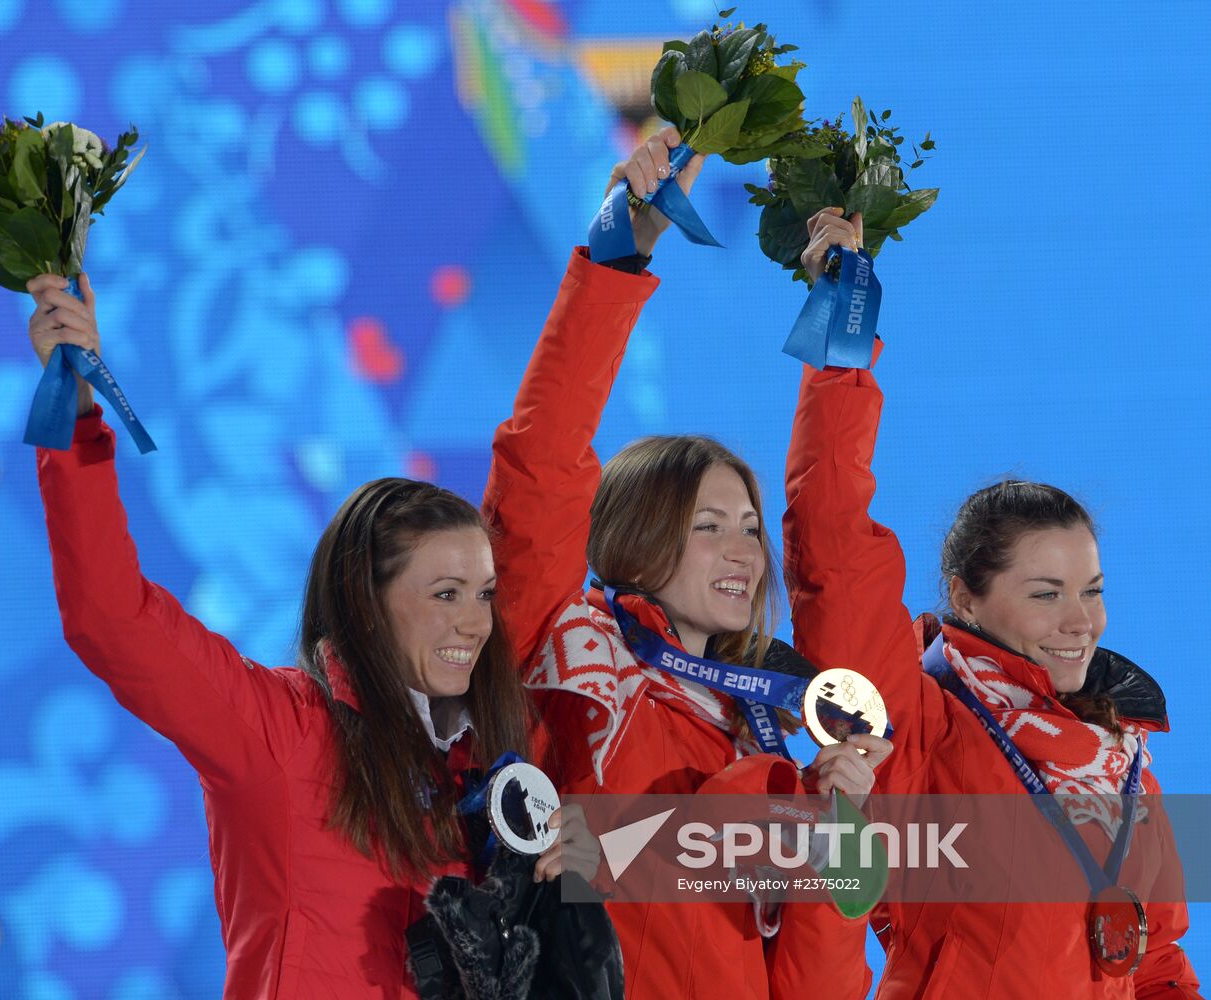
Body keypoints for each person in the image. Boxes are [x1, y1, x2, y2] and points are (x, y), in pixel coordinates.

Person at [25, 273, 602, 999]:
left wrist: (616, 258)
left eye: (483, 594)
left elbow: (542, 480)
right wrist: (76, 415)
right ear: (364, 606)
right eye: (445, 594)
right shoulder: (281, 736)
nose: (476, 621)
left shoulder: (493, 762)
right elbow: (112, 618)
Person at [481, 129, 893, 999]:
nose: (744, 551)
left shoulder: (776, 719)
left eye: (749, 527)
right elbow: (540, 462)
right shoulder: (565, 646)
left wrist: (837, 829)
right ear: (635, 533)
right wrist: (615, 259)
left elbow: (816, 983)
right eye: (710, 526)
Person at [781, 207, 1202, 997]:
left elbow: (1154, 962)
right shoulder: (919, 727)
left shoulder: (1123, 752)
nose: (1080, 621)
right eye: (1044, 594)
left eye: (1091, 590)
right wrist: (840, 349)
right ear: (963, 599)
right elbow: (830, 551)